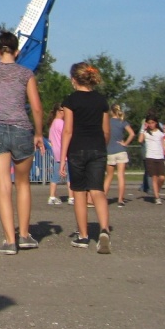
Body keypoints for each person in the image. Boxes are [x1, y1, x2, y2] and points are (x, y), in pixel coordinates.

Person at [0, 31, 44, 255]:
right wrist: (39, 134)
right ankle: (24, 235)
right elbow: (35, 107)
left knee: (3, 187)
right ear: (17, 51)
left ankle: (9, 240)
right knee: (22, 184)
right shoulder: (26, 74)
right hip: (22, 129)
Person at [60, 62, 112, 253]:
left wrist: (62, 157)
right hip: (98, 148)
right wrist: (101, 147)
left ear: (74, 79)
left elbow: (67, 131)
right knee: (98, 191)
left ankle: (83, 236)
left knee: (79, 193)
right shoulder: (101, 101)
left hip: (77, 150)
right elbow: (107, 131)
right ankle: (104, 230)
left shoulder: (71, 100)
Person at [103, 104, 135, 207]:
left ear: (111, 112)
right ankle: (120, 199)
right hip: (120, 150)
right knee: (121, 176)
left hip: (110, 150)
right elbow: (132, 133)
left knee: (109, 176)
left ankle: (103, 198)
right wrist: (125, 143)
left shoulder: (107, 122)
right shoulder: (122, 122)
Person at [137, 114, 165, 204]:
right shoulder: (146, 132)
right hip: (150, 157)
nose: (151, 125)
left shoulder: (160, 133)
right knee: (154, 177)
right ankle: (157, 197)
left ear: (156, 123)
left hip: (160, 157)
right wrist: (143, 128)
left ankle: (156, 190)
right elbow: (140, 140)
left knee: (162, 178)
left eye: (152, 123)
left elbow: (163, 144)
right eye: (149, 123)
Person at [46, 104, 69, 205]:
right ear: (59, 112)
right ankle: (72, 197)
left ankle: (52, 196)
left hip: (55, 152)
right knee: (70, 176)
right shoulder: (61, 123)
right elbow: (67, 136)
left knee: (55, 175)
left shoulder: (53, 124)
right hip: (63, 151)